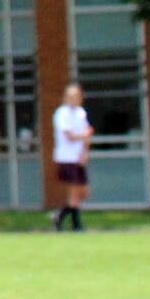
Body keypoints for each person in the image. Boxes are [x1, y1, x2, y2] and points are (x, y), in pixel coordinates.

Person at [51, 82, 92, 232]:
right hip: (67, 157)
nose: (75, 99)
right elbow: (69, 136)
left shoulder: (81, 113)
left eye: (77, 97)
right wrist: (84, 135)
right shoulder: (62, 114)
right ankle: (76, 225)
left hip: (78, 157)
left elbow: (87, 132)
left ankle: (59, 215)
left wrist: (84, 153)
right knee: (74, 192)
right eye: (72, 97)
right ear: (66, 98)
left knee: (83, 192)